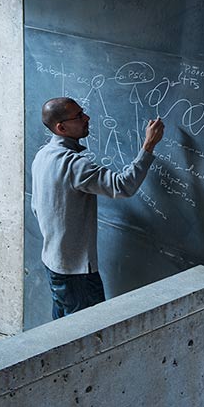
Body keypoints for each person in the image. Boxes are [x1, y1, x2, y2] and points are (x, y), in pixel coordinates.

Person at [31, 97, 164, 319]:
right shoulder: (74, 164)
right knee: (89, 336)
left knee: (60, 332)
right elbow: (123, 186)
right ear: (61, 128)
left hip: (53, 262)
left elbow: (36, 207)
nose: (87, 118)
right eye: (79, 116)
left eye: (83, 112)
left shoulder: (42, 156)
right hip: (77, 273)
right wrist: (148, 146)